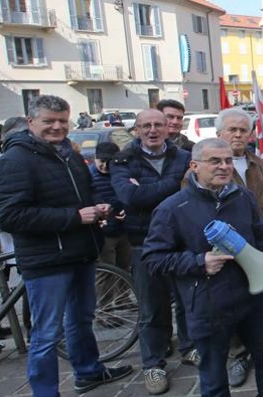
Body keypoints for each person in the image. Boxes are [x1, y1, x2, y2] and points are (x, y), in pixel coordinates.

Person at [0, 95, 133, 395]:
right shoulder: (13, 161)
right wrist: (75, 217)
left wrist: (97, 208)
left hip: (80, 252)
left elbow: (82, 195)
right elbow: (8, 216)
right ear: (31, 122)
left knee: (82, 320)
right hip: (46, 263)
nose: (57, 127)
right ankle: (45, 392)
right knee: (46, 334)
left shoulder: (66, 152)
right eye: (49, 121)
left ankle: (88, 372)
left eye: (62, 121)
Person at [142, 138, 263, 397]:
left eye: (228, 160)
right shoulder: (172, 209)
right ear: (194, 165)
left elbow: (260, 236)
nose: (224, 166)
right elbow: (153, 259)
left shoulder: (244, 197)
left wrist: (262, 267)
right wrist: (199, 262)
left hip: (252, 298)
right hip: (208, 304)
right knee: (214, 377)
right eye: (215, 161)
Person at [109, 109, 195, 394]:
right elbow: (131, 197)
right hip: (144, 242)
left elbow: (191, 192)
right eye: (146, 125)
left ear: (168, 128)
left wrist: (147, 191)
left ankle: (189, 347)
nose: (153, 130)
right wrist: (174, 185)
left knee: (187, 299)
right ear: (137, 130)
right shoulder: (123, 160)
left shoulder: (184, 157)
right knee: (151, 308)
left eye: (159, 124)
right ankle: (154, 365)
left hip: (182, 238)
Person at [212, 108, 263, 387]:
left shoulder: (259, 165)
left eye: (243, 130)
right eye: (232, 129)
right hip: (227, 255)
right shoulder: (208, 167)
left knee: (261, 302)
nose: (237, 134)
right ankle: (238, 356)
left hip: (261, 247)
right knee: (232, 307)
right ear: (219, 133)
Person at [91, 142, 130, 271]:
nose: (105, 165)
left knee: (124, 270)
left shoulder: (123, 174)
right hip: (104, 233)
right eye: (101, 161)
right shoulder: (88, 176)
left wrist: (126, 209)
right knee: (107, 273)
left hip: (123, 230)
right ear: (95, 158)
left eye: (109, 161)